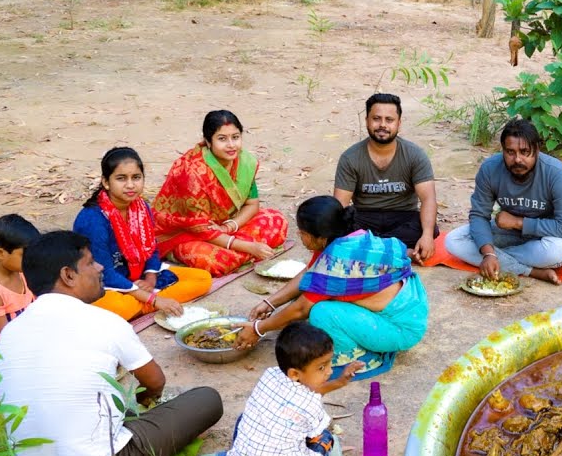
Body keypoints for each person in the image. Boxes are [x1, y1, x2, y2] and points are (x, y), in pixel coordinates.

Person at [0, 231, 223, 456]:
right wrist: (145, 405)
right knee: (207, 399)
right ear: (68, 275)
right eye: (90, 262)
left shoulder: (10, 332)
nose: (100, 267)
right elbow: (155, 382)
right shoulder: (103, 321)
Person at [235, 196, 428, 380]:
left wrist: (258, 329)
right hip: (410, 313)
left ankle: (360, 359)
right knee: (310, 299)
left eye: (302, 233)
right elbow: (309, 274)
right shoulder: (349, 239)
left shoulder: (336, 261)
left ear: (318, 237)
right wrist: (270, 303)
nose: (300, 237)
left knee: (321, 312)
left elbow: (301, 309)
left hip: (400, 329)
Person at [225, 322, 362, 456]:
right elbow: (314, 428)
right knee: (325, 438)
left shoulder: (270, 375)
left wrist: (339, 382)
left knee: (246, 418)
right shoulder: (310, 405)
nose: (330, 371)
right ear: (295, 374)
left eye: (330, 363)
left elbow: (308, 390)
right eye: (322, 367)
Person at [74, 147, 213, 321]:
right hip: (104, 281)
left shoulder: (141, 207)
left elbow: (152, 249)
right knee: (120, 307)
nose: (130, 185)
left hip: (138, 276)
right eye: (121, 178)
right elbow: (104, 273)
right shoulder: (93, 219)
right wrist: (154, 300)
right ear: (106, 182)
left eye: (136, 177)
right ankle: (145, 304)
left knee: (203, 279)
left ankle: (140, 305)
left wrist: (150, 279)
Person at [152, 110, 289, 276]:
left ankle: (240, 254)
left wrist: (228, 227)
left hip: (225, 225)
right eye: (222, 139)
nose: (231, 145)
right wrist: (250, 247)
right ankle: (247, 253)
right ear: (208, 142)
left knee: (276, 220)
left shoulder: (245, 162)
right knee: (210, 260)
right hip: (187, 233)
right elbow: (202, 229)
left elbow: (252, 204)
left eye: (235, 137)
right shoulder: (192, 173)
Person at [444, 118, 562, 284]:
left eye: (524, 151)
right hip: (509, 233)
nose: (517, 159)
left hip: (546, 236)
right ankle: (530, 271)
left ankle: (501, 259)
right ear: (503, 150)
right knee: (453, 240)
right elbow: (479, 215)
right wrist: (488, 253)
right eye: (510, 152)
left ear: (537, 149)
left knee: (557, 252)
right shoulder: (490, 169)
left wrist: (517, 222)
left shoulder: (556, 172)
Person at [333, 93, 438, 261]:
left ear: (399, 123)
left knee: (429, 228)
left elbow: (428, 199)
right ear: (367, 121)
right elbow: (341, 205)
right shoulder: (350, 157)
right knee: (336, 225)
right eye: (376, 119)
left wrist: (426, 236)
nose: (382, 125)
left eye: (389, 120)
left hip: (402, 216)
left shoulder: (415, 155)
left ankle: (369, 248)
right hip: (364, 217)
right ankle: (399, 251)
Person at [0, 214, 39, 342]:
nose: (31, 260)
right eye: (24, 255)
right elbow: (5, 337)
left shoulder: (22, 272)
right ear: (0, 253)